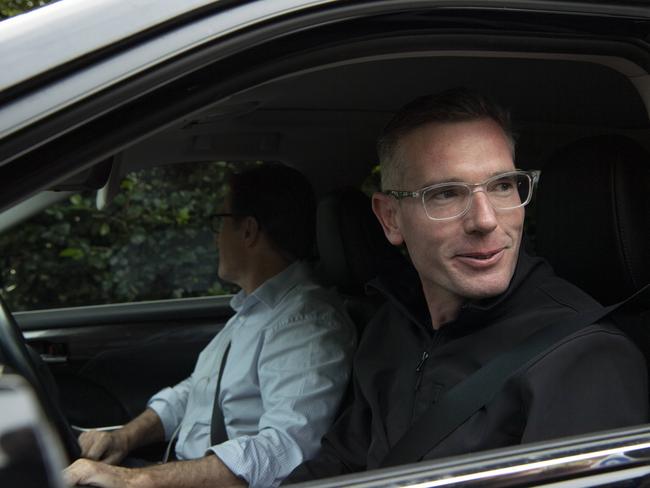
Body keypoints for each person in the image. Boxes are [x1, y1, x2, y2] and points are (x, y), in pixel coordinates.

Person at [284, 88, 649, 482]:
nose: (486, 220)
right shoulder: (390, 329)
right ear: (390, 218)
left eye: (502, 186)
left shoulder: (585, 359)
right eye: (445, 194)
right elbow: (342, 463)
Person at [64, 164, 356, 488]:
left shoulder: (307, 322)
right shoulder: (253, 311)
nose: (216, 237)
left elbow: (286, 449)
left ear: (247, 230)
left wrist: (137, 480)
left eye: (219, 222)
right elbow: (195, 390)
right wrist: (124, 438)